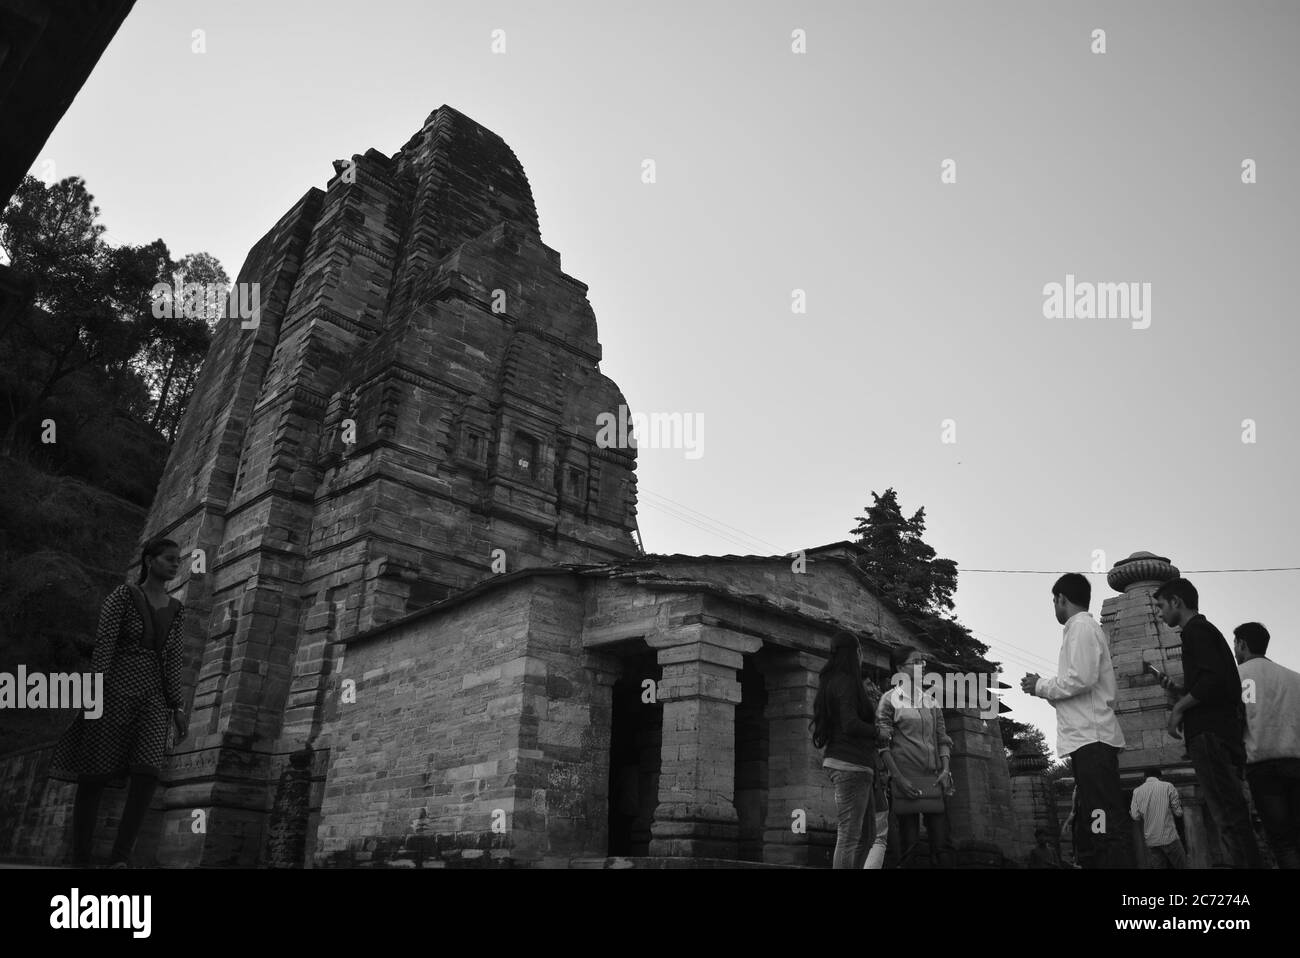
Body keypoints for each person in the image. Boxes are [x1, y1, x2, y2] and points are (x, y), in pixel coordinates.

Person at [48, 537, 189, 868]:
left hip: (154, 696)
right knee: (94, 774)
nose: (175, 564)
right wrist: (95, 691)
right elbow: (105, 646)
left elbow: (173, 660)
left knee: (148, 772)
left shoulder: (177, 610)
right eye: (169, 558)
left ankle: (119, 860)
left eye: (178, 559)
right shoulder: (123, 596)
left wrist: (177, 706)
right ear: (149, 560)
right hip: (115, 689)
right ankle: (80, 860)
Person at [1021, 573, 1131, 868]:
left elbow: (1080, 678)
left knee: (1103, 820)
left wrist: (1040, 685)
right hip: (1088, 742)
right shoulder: (1081, 628)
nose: (1054, 607)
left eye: (1054, 601)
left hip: (1092, 739)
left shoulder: (1081, 627)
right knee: (1096, 819)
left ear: (1061, 599)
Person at [1153, 578, 1262, 868]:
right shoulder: (1203, 631)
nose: (1160, 614)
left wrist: (1178, 709)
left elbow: (1213, 682)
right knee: (1232, 815)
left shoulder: (1196, 631)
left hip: (1210, 735)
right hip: (1220, 732)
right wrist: (1179, 691)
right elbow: (1212, 683)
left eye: (1161, 606)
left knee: (1228, 817)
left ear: (1177, 602)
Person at [878, 645, 956, 867]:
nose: (922, 666)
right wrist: (898, 779)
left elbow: (943, 739)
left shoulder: (931, 701)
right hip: (905, 781)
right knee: (908, 847)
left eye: (923, 662)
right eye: (916, 662)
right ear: (900, 668)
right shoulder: (889, 700)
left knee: (942, 846)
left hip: (934, 779)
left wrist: (945, 770)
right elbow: (883, 744)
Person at [1234, 622, 1300, 868]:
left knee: (1282, 841)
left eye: (1235, 645)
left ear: (1242, 644)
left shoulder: (1239, 678)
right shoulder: (1294, 678)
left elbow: (1236, 719)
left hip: (1262, 765)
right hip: (1296, 761)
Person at [810, 632, 878, 869]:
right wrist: (878, 732)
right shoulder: (847, 682)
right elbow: (850, 724)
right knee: (849, 836)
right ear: (856, 653)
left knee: (868, 834)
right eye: (860, 651)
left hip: (853, 763)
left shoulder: (830, 681)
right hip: (850, 764)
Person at [861, 672, 891, 869]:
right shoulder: (874, 711)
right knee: (878, 836)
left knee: (853, 833)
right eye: (869, 684)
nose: (874, 688)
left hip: (856, 773)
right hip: (872, 774)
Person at [1130, 767, 1186, 868]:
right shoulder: (1168, 786)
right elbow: (1178, 813)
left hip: (1152, 840)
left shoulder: (1137, 791)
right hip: (1170, 838)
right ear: (1160, 776)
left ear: (1145, 777)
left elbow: (1135, 816)